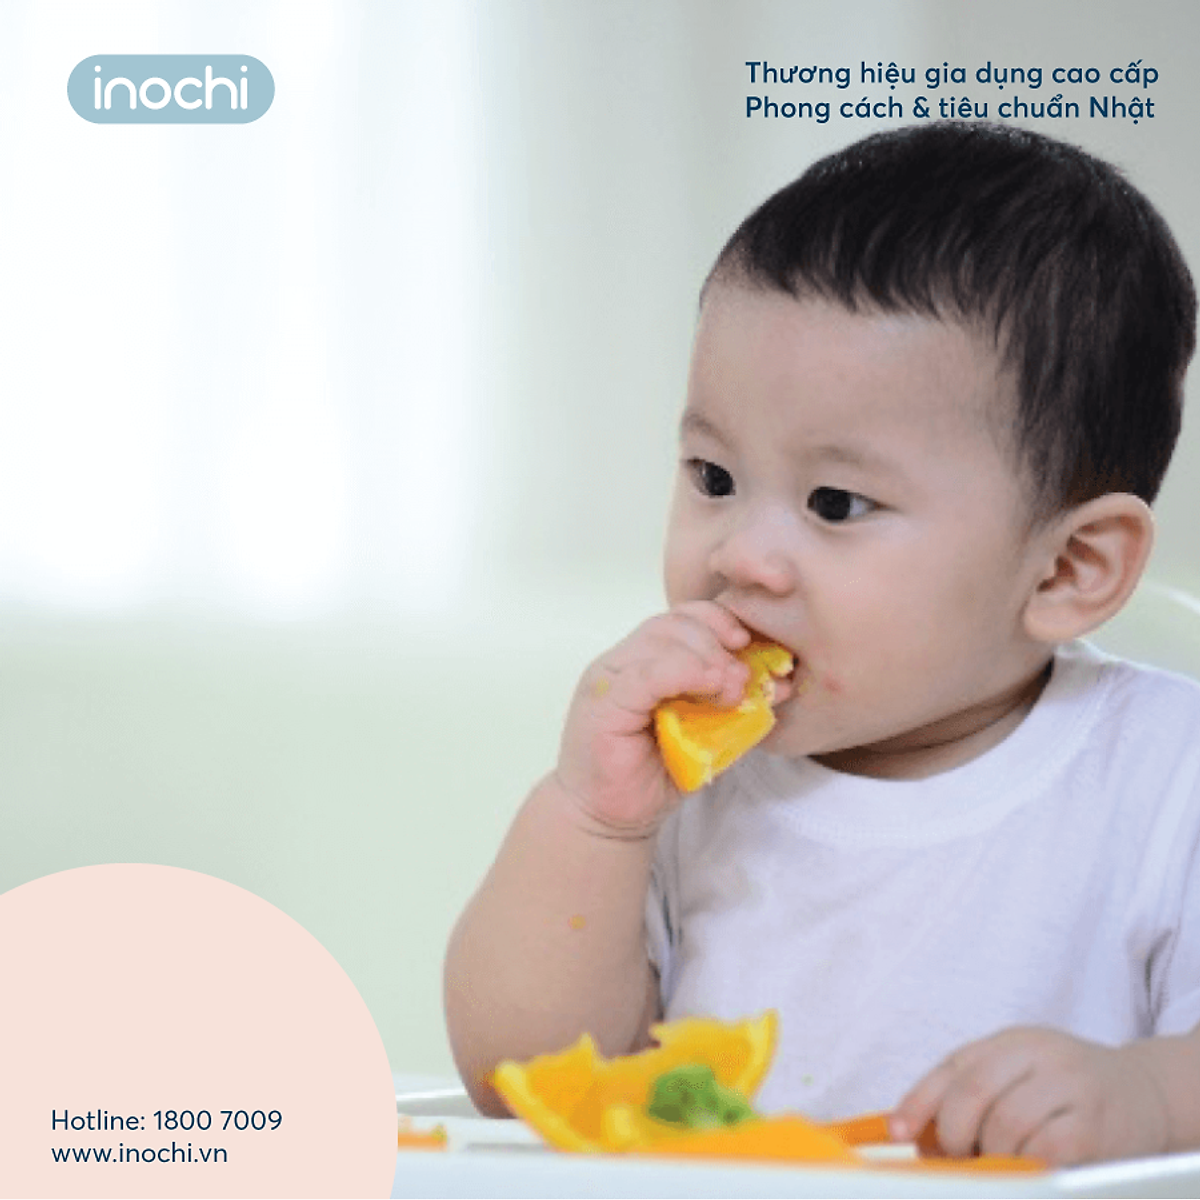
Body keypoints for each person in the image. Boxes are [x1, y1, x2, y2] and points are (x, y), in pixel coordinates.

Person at [444, 122, 1200, 1166]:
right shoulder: (685, 776)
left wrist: (1148, 1095)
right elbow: (519, 1085)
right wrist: (591, 821)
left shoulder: (1166, 777)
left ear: (1067, 569)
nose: (741, 555)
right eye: (714, 477)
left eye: (835, 503)